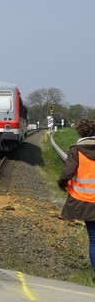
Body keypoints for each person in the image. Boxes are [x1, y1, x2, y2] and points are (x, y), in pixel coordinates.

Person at [58, 118, 95, 278]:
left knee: (93, 239)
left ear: (80, 132)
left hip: (86, 201)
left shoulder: (76, 150)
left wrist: (61, 184)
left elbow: (67, 173)